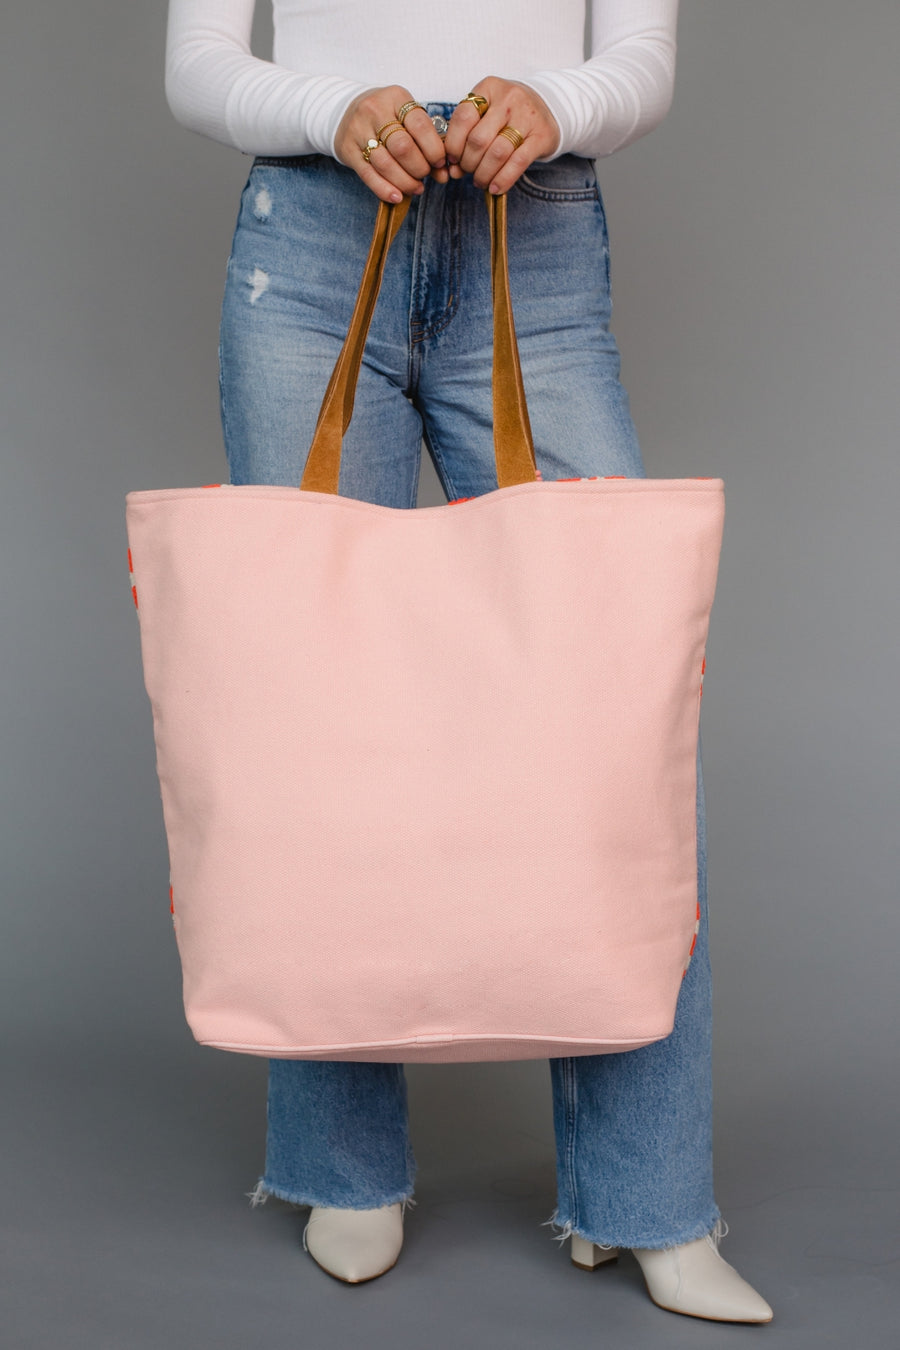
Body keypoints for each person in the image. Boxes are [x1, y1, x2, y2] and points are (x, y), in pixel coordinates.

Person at [163, 0, 773, 1323]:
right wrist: (334, 111)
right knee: (314, 720)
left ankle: (649, 1196)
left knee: (617, 731)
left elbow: (641, 62)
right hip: (311, 248)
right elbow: (198, 64)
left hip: (537, 239)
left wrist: (559, 106)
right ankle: (343, 1169)